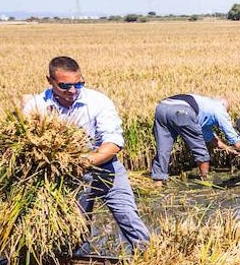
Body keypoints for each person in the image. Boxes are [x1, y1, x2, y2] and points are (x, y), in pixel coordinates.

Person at [22, 55, 150, 251]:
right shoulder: (37, 106)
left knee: (128, 216)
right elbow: (27, 145)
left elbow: (114, 141)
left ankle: (148, 257)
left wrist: (86, 161)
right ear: (50, 81)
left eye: (78, 84)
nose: (73, 91)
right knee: (77, 226)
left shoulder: (98, 101)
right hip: (68, 175)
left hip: (105, 165)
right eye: (65, 86)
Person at [150, 93, 240, 186]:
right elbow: (232, 136)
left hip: (161, 108)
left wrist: (228, 149)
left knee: (163, 149)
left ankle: (158, 181)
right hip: (182, 111)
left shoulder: (205, 108)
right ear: (224, 106)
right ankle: (205, 179)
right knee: (200, 149)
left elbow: (210, 139)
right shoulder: (220, 108)